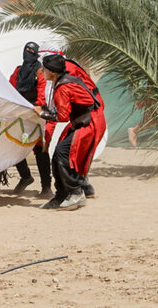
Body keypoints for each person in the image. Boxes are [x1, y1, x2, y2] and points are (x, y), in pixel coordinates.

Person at [36, 54, 106, 211]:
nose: (42, 71)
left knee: (64, 152)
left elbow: (62, 116)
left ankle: (75, 192)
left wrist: (41, 113)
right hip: (83, 119)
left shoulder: (63, 87)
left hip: (89, 121)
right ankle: (61, 196)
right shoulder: (62, 80)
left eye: (45, 69)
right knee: (59, 154)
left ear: (53, 72)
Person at [7, 42, 51, 198]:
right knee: (13, 146)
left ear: (37, 54)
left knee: (40, 149)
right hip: (19, 114)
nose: (28, 53)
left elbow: (41, 96)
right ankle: (26, 177)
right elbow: (10, 90)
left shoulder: (40, 71)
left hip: (35, 115)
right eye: (26, 50)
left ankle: (46, 187)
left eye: (31, 51)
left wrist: (34, 108)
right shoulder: (18, 71)